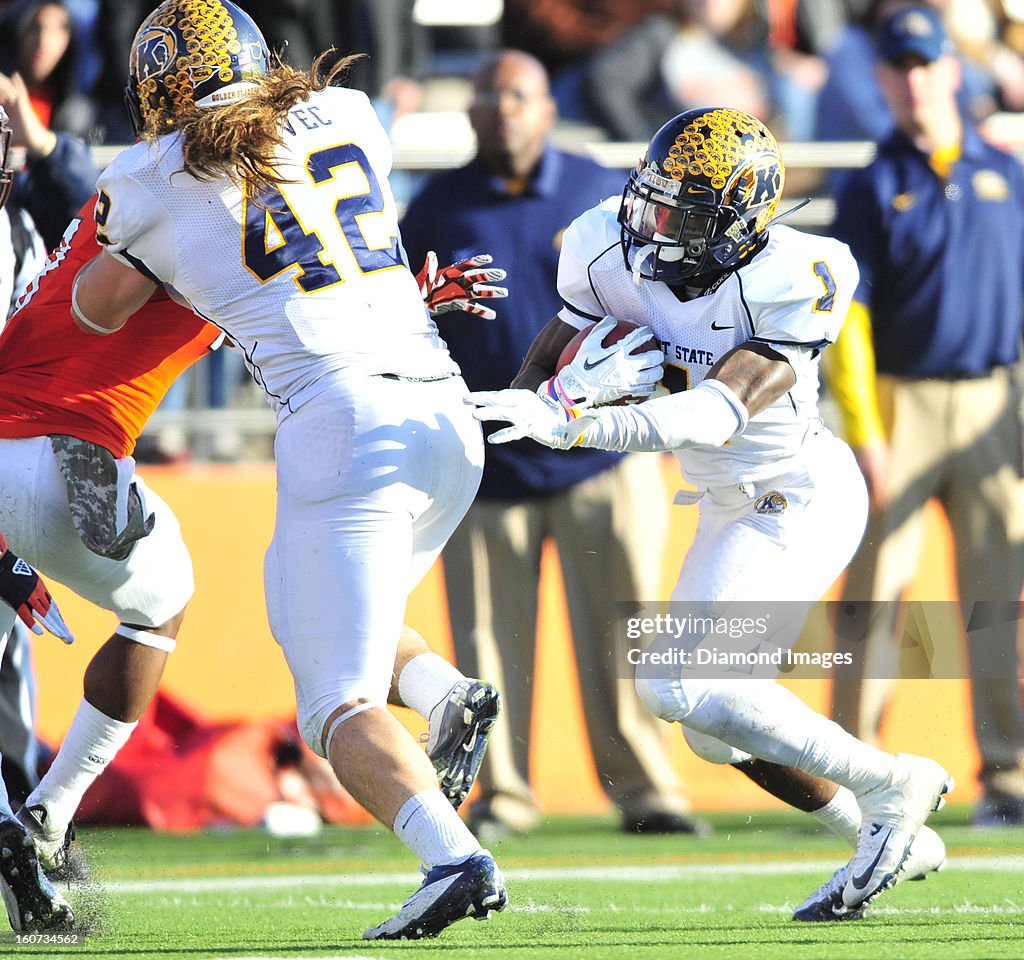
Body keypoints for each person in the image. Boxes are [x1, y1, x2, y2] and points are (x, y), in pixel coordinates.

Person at [70, 0, 508, 942]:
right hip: (446, 411)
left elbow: (96, 308)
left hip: (342, 422)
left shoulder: (148, 172)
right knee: (300, 597)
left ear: (157, 88)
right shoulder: (347, 114)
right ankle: (442, 695)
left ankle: (451, 853)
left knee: (330, 699)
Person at [471, 104, 953, 921]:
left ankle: (894, 785)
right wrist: (516, 408)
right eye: (652, 202)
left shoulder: (798, 276)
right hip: (726, 504)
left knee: (678, 683)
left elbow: (713, 416)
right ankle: (874, 823)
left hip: (797, 497)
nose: (654, 228)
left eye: (682, 215)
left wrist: (579, 424)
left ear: (740, 221)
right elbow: (556, 349)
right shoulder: (604, 244)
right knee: (709, 728)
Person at [400, 48, 703, 838]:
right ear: (469, 110)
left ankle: (648, 790)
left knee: (628, 627)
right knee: (485, 641)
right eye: (489, 94)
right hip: (489, 457)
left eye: (520, 94)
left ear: (545, 107)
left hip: (601, 452)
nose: (503, 107)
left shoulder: (598, 189)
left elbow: (661, 297)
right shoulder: (435, 206)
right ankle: (500, 796)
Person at [824, 4, 1024, 826]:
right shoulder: (871, 182)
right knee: (876, 603)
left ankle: (1007, 774)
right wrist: (865, 429)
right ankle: (855, 777)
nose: (913, 81)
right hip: (900, 404)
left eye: (924, 64)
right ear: (882, 79)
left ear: (950, 70)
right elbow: (851, 319)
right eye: (898, 67)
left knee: (998, 598)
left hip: (992, 401)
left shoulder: (1006, 172)